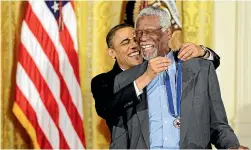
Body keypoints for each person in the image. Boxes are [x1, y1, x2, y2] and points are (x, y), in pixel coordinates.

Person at [91, 22, 223, 149]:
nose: (134, 45)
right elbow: (107, 109)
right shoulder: (104, 81)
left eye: (136, 40)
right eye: (125, 43)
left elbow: (208, 65)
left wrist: (202, 51)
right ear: (111, 53)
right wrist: (146, 77)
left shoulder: (160, 61)